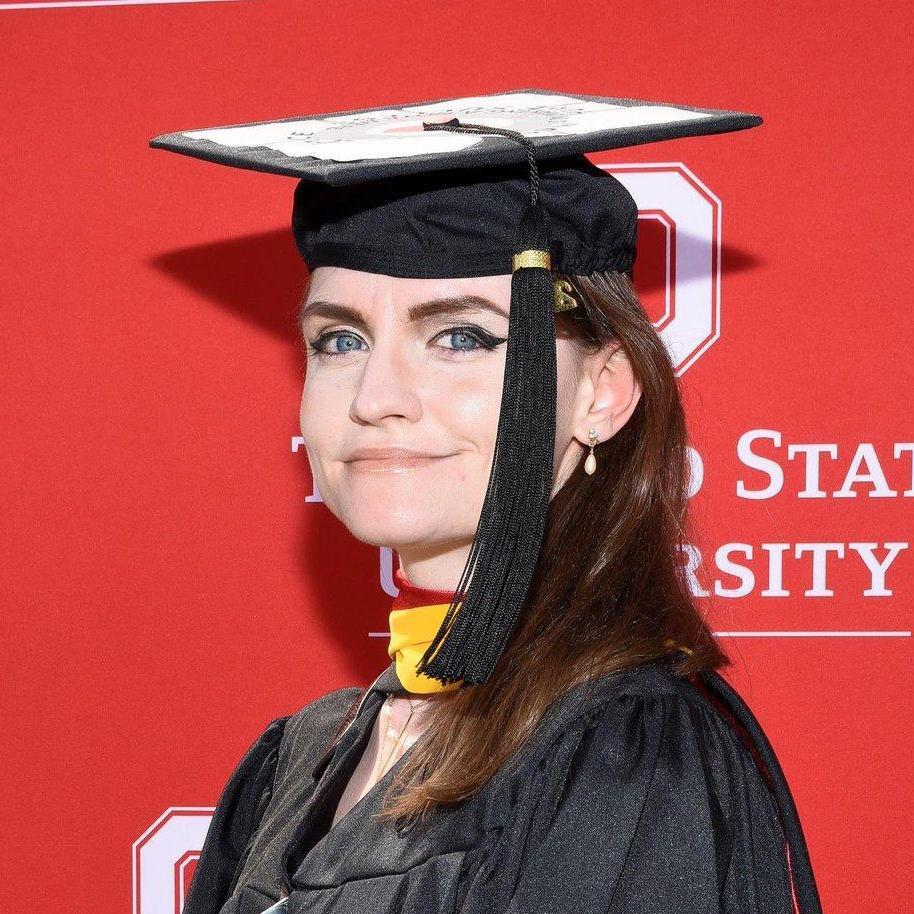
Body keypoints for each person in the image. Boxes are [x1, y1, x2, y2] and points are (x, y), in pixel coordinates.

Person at [150, 90, 823, 914]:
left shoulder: (626, 754)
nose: (376, 396)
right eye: (339, 340)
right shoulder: (303, 761)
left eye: (460, 337)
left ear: (602, 395)